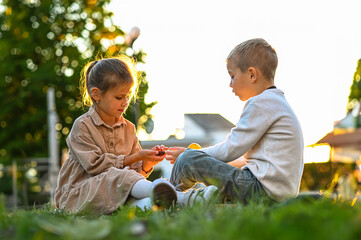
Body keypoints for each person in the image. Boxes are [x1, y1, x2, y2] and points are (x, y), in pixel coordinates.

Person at [166, 38, 304, 205]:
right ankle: (188, 199)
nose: (230, 84)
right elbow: (241, 159)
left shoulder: (260, 104)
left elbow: (229, 150)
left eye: (233, 76)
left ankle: (166, 201)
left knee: (187, 160)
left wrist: (190, 153)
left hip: (259, 190)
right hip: (277, 196)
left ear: (252, 74)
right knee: (210, 187)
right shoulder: (277, 103)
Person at [54, 55, 178, 214]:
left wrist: (146, 162)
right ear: (96, 94)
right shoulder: (83, 126)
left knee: (142, 203)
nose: (125, 102)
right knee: (118, 176)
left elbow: (132, 177)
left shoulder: (129, 129)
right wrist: (136, 157)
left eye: (128, 96)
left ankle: (184, 198)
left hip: (114, 196)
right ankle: (177, 195)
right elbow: (95, 166)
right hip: (79, 195)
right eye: (119, 97)